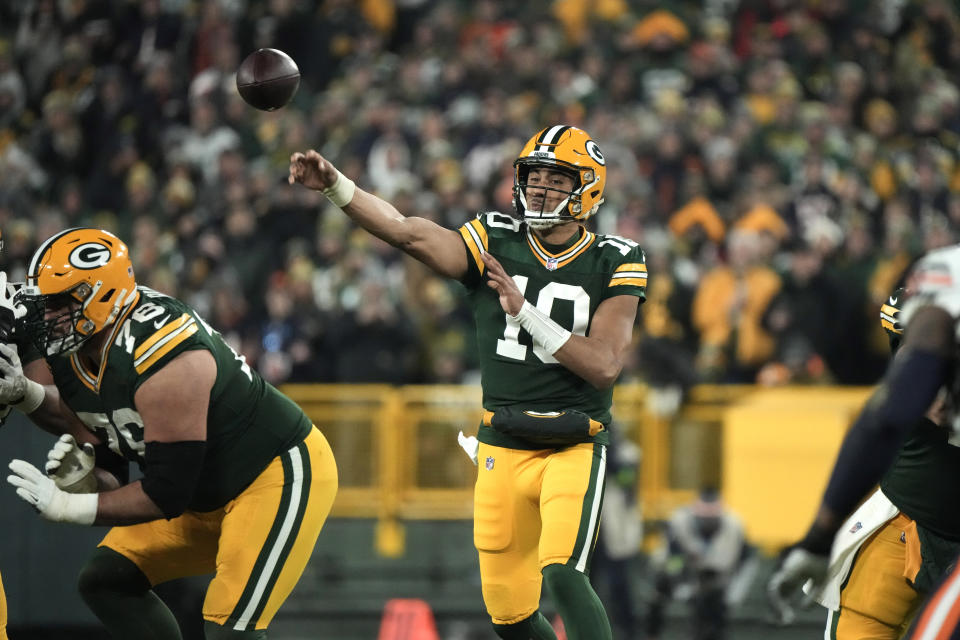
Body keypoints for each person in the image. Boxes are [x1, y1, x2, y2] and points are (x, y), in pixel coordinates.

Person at [289, 124, 647, 640]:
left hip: (574, 441)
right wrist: (336, 186)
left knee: (564, 573)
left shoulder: (617, 256)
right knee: (510, 614)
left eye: (556, 179)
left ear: (587, 188)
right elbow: (407, 231)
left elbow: (605, 364)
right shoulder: (494, 236)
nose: (541, 188)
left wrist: (526, 315)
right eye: (535, 176)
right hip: (502, 439)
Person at [3, 227, 338, 639]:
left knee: (229, 626)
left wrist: (70, 507)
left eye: (57, 304)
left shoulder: (165, 355)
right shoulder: (82, 346)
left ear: (99, 298)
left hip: (270, 476)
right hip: (201, 491)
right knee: (106, 581)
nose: (46, 318)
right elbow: (111, 455)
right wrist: (87, 477)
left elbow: (166, 493)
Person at [766, 244, 960, 640]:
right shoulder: (944, 281)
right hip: (909, 519)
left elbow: (885, 420)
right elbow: (888, 418)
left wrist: (819, 537)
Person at [646, 487, 755, 640]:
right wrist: (682, 586)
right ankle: (652, 634)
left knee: (713, 611)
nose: (707, 524)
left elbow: (746, 564)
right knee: (657, 593)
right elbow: (672, 560)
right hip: (682, 573)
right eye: (703, 519)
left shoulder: (735, 527)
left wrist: (734, 593)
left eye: (711, 519)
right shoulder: (679, 523)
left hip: (718, 580)